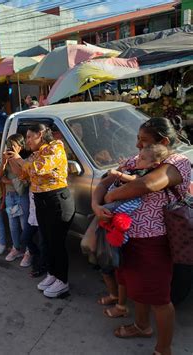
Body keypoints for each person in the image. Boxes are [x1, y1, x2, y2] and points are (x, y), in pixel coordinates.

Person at [92, 117, 191, 355]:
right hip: (127, 238)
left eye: (143, 140)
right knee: (137, 288)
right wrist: (96, 204)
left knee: (159, 298)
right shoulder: (138, 159)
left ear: (163, 141)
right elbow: (107, 180)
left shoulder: (177, 162)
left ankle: (163, 349)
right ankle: (142, 326)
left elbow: (148, 184)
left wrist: (112, 198)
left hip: (154, 241)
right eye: (137, 139)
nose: (137, 145)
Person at [9, 123, 75, 298]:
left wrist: (19, 158)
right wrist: (12, 159)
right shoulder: (35, 154)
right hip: (41, 201)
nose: (27, 141)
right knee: (47, 240)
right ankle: (53, 274)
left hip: (56, 201)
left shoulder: (56, 147)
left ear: (40, 135)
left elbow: (37, 168)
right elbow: (23, 175)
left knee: (57, 243)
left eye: (30, 137)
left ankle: (63, 281)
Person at [0, 134, 31, 264]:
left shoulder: (25, 160)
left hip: (21, 195)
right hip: (9, 196)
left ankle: (29, 251)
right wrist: (5, 161)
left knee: (25, 225)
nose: (10, 148)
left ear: (21, 147)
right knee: (13, 225)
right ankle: (16, 248)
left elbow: (22, 177)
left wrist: (14, 160)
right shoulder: (6, 159)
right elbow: (0, 176)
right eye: (9, 145)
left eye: (13, 146)